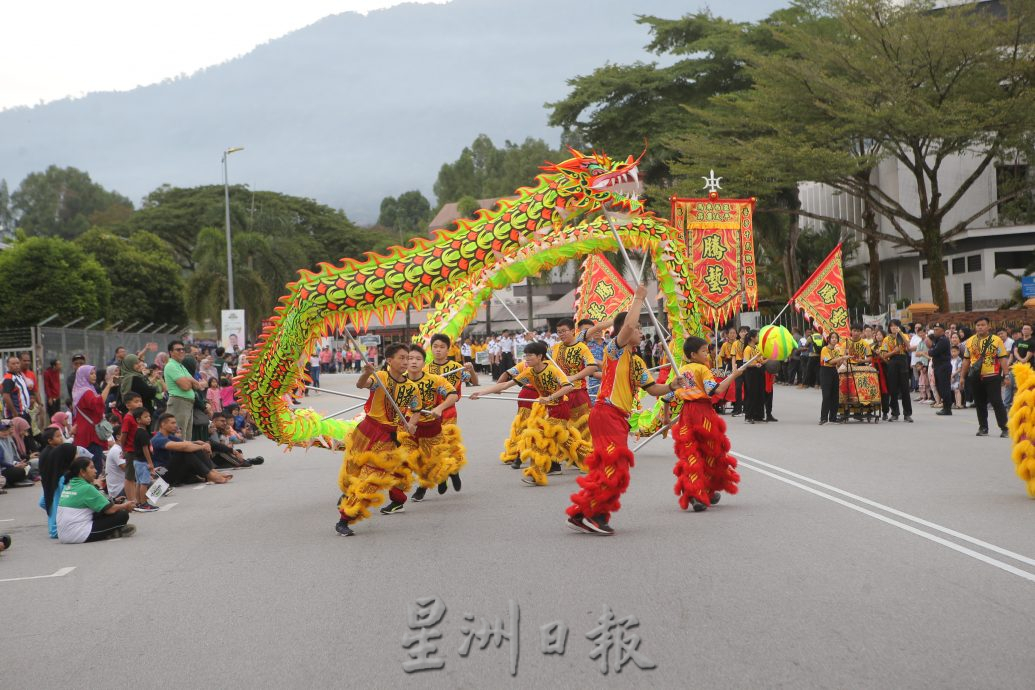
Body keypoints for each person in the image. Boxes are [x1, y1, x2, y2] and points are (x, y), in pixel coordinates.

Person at [564, 284, 687, 535]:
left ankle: (581, 513)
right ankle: (594, 514)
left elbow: (653, 390)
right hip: (605, 413)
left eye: (641, 328)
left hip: (619, 418)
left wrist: (672, 386)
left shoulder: (637, 361)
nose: (641, 332)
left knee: (611, 468)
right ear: (623, 332)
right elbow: (628, 326)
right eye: (639, 328)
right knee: (614, 466)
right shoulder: (614, 350)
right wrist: (639, 298)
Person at [334, 343, 419, 537]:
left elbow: (416, 411)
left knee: (371, 478)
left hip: (386, 438)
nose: (406, 362)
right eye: (402, 358)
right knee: (353, 470)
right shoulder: (379, 377)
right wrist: (366, 373)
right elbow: (361, 384)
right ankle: (349, 493)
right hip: (365, 431)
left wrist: (412, 423)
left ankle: (344, 519)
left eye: (408, 358)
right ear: (390, 361)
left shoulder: (411, 387)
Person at [473, 340, 581, 486]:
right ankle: (593, 461)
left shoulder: (553, 369)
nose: (527, 359)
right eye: (526, 356)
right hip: (550, 409)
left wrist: (549, 397)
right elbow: (505, 384)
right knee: (567, 441)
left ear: (540, 356)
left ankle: (535, 474)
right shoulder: (529, 372)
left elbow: (568, 386)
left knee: (538, 438)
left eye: (530, 356)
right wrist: (481, 392)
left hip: (560, 409)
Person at [671, 336, 747, 511]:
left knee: (690, 454)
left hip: (686, 415)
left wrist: (667, 417)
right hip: (703, 414)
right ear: (693, 354)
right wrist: (734, 375)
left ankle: (701, 491)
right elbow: (716, 390)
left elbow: (670, 395)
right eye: (704, 351)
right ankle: (701, 492)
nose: (707, 354)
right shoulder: (703, 369)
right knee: (710, 452)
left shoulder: (681, 369)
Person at [398, 344, 461, 507]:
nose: (413, 362)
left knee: (433, 462)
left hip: (431, 428)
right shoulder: (399, 380)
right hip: (409, 428)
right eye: (410, 358)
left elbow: (453, 395)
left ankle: (450, 473)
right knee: (408, 459)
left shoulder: (434, 380)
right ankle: (404, 496)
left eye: (417, 359)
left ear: (424, 362)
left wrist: (439, 407)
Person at [423, 334, 478, 495]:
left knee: (447, 443)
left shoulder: (456, 367)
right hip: (430, 413)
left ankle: (452, 472)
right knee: (433, 446)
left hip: (448, 411)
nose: (438, 350)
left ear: (448, 349)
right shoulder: (426, 369)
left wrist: (471, 370)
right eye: (435, 347)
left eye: (442, 347)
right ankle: (444, 475)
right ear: (431, 348)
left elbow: (473, 382)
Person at [551, 318, 599, 469]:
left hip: (577, 393)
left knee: (583, 429)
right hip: (560, 394)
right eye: (559, 332)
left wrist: (572, 377)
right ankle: (555, 461)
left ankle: (588, 461)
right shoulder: (555, 348)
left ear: (573, 331)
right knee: (556, 427)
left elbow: (591, 367)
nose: (561, 334)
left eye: (564, 331)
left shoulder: (582, 348)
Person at [56, 456, 137, 543]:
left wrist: (114, 501)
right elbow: (109, 510)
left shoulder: (69, 485)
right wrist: (125, 506)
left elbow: (97, 504)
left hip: (62, 534)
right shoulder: (86, 488)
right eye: (91, 467)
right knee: (122, 515)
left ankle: (111, 531)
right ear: (82, 472)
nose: (95, 471)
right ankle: (111, 533)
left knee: (101, 510)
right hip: (77, 534)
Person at [150, 412, 233, 486]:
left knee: (193, 448)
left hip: (172, 470)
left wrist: (200, 443)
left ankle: (212, 472)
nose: (175, 425)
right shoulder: (158, 439)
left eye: (175, 422)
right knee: (185, 451)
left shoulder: (169, 436)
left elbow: (186, 443)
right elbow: (184, 447)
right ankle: (210, 475)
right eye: (172, 423)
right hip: (163, 473)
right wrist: (202, 446)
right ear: (163, 424)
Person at [960, 317, 1010, 437]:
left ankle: (1005, 428)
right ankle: (983, 427)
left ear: (988, 327)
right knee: (979, 403)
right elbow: (966, 360)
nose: (980, 327)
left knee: (996, 401)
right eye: (978, 325)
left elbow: (1003, 358)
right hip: (975, 376)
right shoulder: (970, 341)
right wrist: (962, 377)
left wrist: (1006, 374)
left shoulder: (996, 340)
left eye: (983, 325)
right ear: (975, 327)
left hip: (992, 375)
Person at [72, 365, 116, 473]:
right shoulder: (86, 392)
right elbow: (98, 403)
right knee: (94, 464)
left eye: (94, 373)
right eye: (91, 373)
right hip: (90, 434)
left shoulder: (80, 390)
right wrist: (109, 385)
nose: (94, 376)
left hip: (84, 430)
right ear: (84, 376)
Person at [880, 319, 914, 422]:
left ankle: (907, 414)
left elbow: (908, 347)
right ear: (889, 328)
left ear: (899, 327)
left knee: (905, 390)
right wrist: (893, 352)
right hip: (892, 362)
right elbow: (884, 355)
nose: (893, 328)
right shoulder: (886, 339)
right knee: (893, 390)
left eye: (895, 326)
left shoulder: (903, 335)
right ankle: (894, 413)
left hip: (903, 361)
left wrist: (900, 333)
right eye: (891, 326)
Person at [164, 341, 200, 440]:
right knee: (179, 437)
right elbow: (186, 386)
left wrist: (190, 381)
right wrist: (190, 381)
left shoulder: (181, 366)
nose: (181, 351)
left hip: (186, 403)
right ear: (171, 352)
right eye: (178, 349)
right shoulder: (171, 366)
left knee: (187, 437)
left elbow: (197, 385)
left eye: (182, 349)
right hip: (178, 402)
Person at [819, 332, 847, 425]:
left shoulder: (836, 351)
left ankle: (833, 417)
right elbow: (829, 361)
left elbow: (837, 364)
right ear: (829, 339)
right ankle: (823, 418)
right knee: (826, 395)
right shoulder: (824, 349)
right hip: (825, 371)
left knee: (835, 396)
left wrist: (843, 359)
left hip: (834, 372)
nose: (834, 339)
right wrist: (841, 357)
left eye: (836, 338)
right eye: (832, 338)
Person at [741, 330, 766, 424]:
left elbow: (761, 360)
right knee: (751, 394)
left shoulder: (757, 348)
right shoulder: (747, 349)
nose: (758, 338)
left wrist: (769, 359)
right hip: (750, 373)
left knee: (760, 393)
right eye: (757, 336)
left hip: (758, 372)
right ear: (752, 338)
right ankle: (748, 416)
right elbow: (746, 363)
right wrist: (755, 365)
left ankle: (758, 415)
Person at [0, 420, 33, 487]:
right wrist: (14, 466)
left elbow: (14, 457)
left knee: (27, 467)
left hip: (9, 467)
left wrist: (18, 463)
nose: (6, 432)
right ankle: (12, 482)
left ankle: (15, 481)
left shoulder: (7, 440)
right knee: (20, 471)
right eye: (2, 431)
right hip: (2, 470)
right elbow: (1, 462)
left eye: (6, 430)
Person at [929, 324, 953, 416]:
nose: (935, 331)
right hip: (938, 366)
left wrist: (928, 352)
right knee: (940, 387)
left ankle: (947, 408)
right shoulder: (937, 340)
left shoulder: (943, 340)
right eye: (934, 329)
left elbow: (934, 352)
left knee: (944, 388)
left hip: (943, 367)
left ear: (942, 331)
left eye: (937, 329)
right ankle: (945, 407)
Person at [104, 416, 126, 499]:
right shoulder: (117, 450)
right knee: (147, 483)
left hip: (123, 486)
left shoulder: (121, 448)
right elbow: (126, 468)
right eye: (126, 434)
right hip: (118, 491)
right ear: (118, 437)